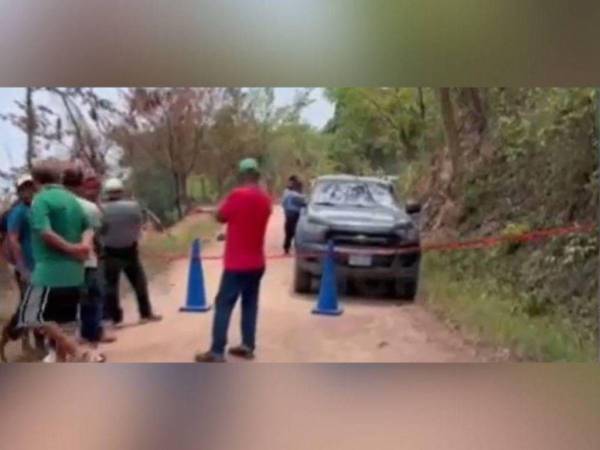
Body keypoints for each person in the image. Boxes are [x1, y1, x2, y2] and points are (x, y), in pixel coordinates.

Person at [13, 160, 103, 362]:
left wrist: (72, 248)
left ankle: (81, 352)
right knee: (65, 323)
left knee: (31, 314)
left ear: (36, 181)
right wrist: (84, 246)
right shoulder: (71, 199)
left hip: (49, 270)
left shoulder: (41, 200)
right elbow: (88, 227)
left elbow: (44, 232)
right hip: (75, 271)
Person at [196, 158, 272, 363]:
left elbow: (220, 216)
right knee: (250, 303)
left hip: (237, 263)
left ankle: (217, 350)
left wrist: (222, 202)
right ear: (257, 175)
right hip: (257, 262)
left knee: (224, 304)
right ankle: (247, 345)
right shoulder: (265, 199)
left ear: (241, 175)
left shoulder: (238, 195)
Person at [62, 167, 117, 347]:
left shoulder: (51, 205)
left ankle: (82, 337)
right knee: (91, 299)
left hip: (63, 261)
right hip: (88, 258)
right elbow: (104, 228)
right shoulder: (89, 207)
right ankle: (91, 339)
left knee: (75, 302)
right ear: (81, 184)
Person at [99, 178, 162, 327]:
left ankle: (115, 317)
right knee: (139, 282)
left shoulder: (102, 209)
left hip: (110, 251)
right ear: (121, 191)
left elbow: (101, 230)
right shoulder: (133, 206)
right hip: (130, 249)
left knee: (111, 286)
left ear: (107, 193)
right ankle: (145, 313)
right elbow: (138, 224)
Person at [0, 175, 45, 360]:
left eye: (31, 187)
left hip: (40, 265)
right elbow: (13, 240)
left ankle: (39, 345)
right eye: (24, 188)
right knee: (30, 307)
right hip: (25, 266)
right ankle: (8, 336)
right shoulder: (17, 212)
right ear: (19, 191)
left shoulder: (36, 209)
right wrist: (22, 267)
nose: (29, 191)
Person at [281, 175, 306, 254]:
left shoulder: (288, 192)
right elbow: (303, 202)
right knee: (292, 232)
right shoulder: (292, 194)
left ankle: (288, 248)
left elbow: (284, 203)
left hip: (291, 214)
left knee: (290, 232)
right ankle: (289, 248)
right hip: (293, 214)